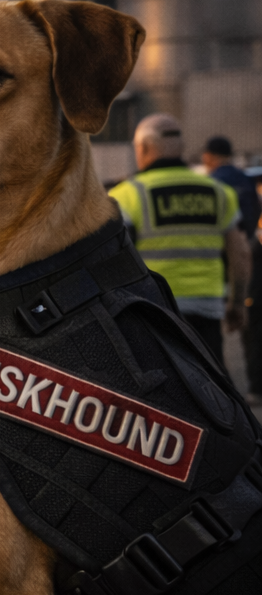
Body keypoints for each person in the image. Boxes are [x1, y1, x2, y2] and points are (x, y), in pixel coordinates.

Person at [110, 114, 241, 365]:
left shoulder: (126, 195)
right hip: (208, 306)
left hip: (153, 308)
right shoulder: (219, 192)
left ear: (144, 148)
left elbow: (115, 261)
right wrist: (237, 304)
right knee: (213, 384)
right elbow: (240, 254)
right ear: (181, 147)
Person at [200, 135, 262, 401]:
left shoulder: (212, 184)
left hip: (217, 263)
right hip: (250, 258)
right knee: (252, 324)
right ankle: (256, 386)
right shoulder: (247, 180)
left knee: (212, 332)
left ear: (208, 156)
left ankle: (217, 394)